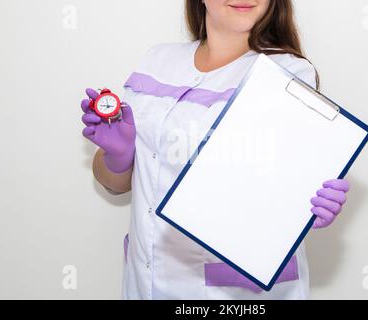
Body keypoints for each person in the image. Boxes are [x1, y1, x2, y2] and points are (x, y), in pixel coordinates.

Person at [81, 0, 349, 299]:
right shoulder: (157, 61)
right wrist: (118, 158)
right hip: (145, 283)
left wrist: (305, 206)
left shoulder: (288, 72)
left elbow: (275, 189)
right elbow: (115, 184)